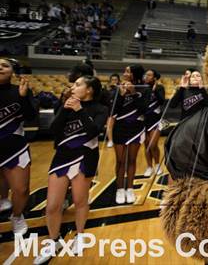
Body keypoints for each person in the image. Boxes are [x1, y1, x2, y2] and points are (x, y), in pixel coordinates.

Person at [33, 76, 107, 264]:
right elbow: (53, 129)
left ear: (89, 89)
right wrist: (64, 108)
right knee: (52, 205)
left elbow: (93, 131)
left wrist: (80, 110)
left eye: (78, 84)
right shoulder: (66, 105)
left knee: (79, 201)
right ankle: (53, 240)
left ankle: (80, 235)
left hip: (85, 157)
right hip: (62, 157)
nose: (73, 87)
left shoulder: (101, 109)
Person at [0, 58, 37, 235]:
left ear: (12, 71)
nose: (0, 67)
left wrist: (23, 98)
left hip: (15, 147)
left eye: (5, 65)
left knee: (21, 189)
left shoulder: (20, 90)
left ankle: (17, 216)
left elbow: (31, 116)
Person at [112, 65, 149, 204]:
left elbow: (144, 110)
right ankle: (120, 189)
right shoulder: (118, 87)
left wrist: (133, 93)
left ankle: (130, 188)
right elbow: (113, 110)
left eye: (128, 71)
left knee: (132, 160)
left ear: (134, 74)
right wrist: (121, 95)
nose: (124, 73)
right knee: (120, 160)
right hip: (120, 127)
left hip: (136, 128)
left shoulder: (144, 89)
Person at [143, 69, 165, 176]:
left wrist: (155, 90)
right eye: (146, 74)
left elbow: (162, 101)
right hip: (144, 120)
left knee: (152, 145)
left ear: (154, 78)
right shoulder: (143, 88)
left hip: (155, 120)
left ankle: (157, 165)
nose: (146, 76)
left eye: (149, 75)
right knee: (146, 145)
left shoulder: (160, 88)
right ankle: (149, 167)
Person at [105, 74, 120, 148]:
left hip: (120, 111)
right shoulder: (108, 90)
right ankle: (110, 140)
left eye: (116, 79)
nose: (114, 81)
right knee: (109, 125)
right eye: (112, 80)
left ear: (118, 81)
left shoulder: (121, 89)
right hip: (111, 112)